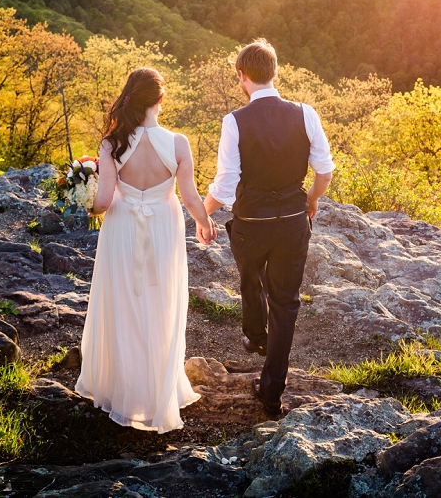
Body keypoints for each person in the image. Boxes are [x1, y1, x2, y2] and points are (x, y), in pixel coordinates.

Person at [76, 67, 217, 433]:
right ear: (160, 100)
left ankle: (121, 390)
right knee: (160, 304)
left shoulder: (112, 143)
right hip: (162, 228)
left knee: (122, 304)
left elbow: (104, 201)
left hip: (122, 228)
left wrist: (84, 203)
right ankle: (157, 391)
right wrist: (205, 223)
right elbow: (188, 196)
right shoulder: (178, 143)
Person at [204, 39, 334, 416]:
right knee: (286, 303)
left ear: (242, 77)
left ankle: (255, 335)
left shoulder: (235, 121)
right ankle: (273, 388)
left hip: (251, 223)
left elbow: (226, 184)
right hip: (294, 223)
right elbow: (324, 171)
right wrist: (310, 200)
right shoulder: (305, 113)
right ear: (275, 72)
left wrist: (201, 211)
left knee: (250, 276)